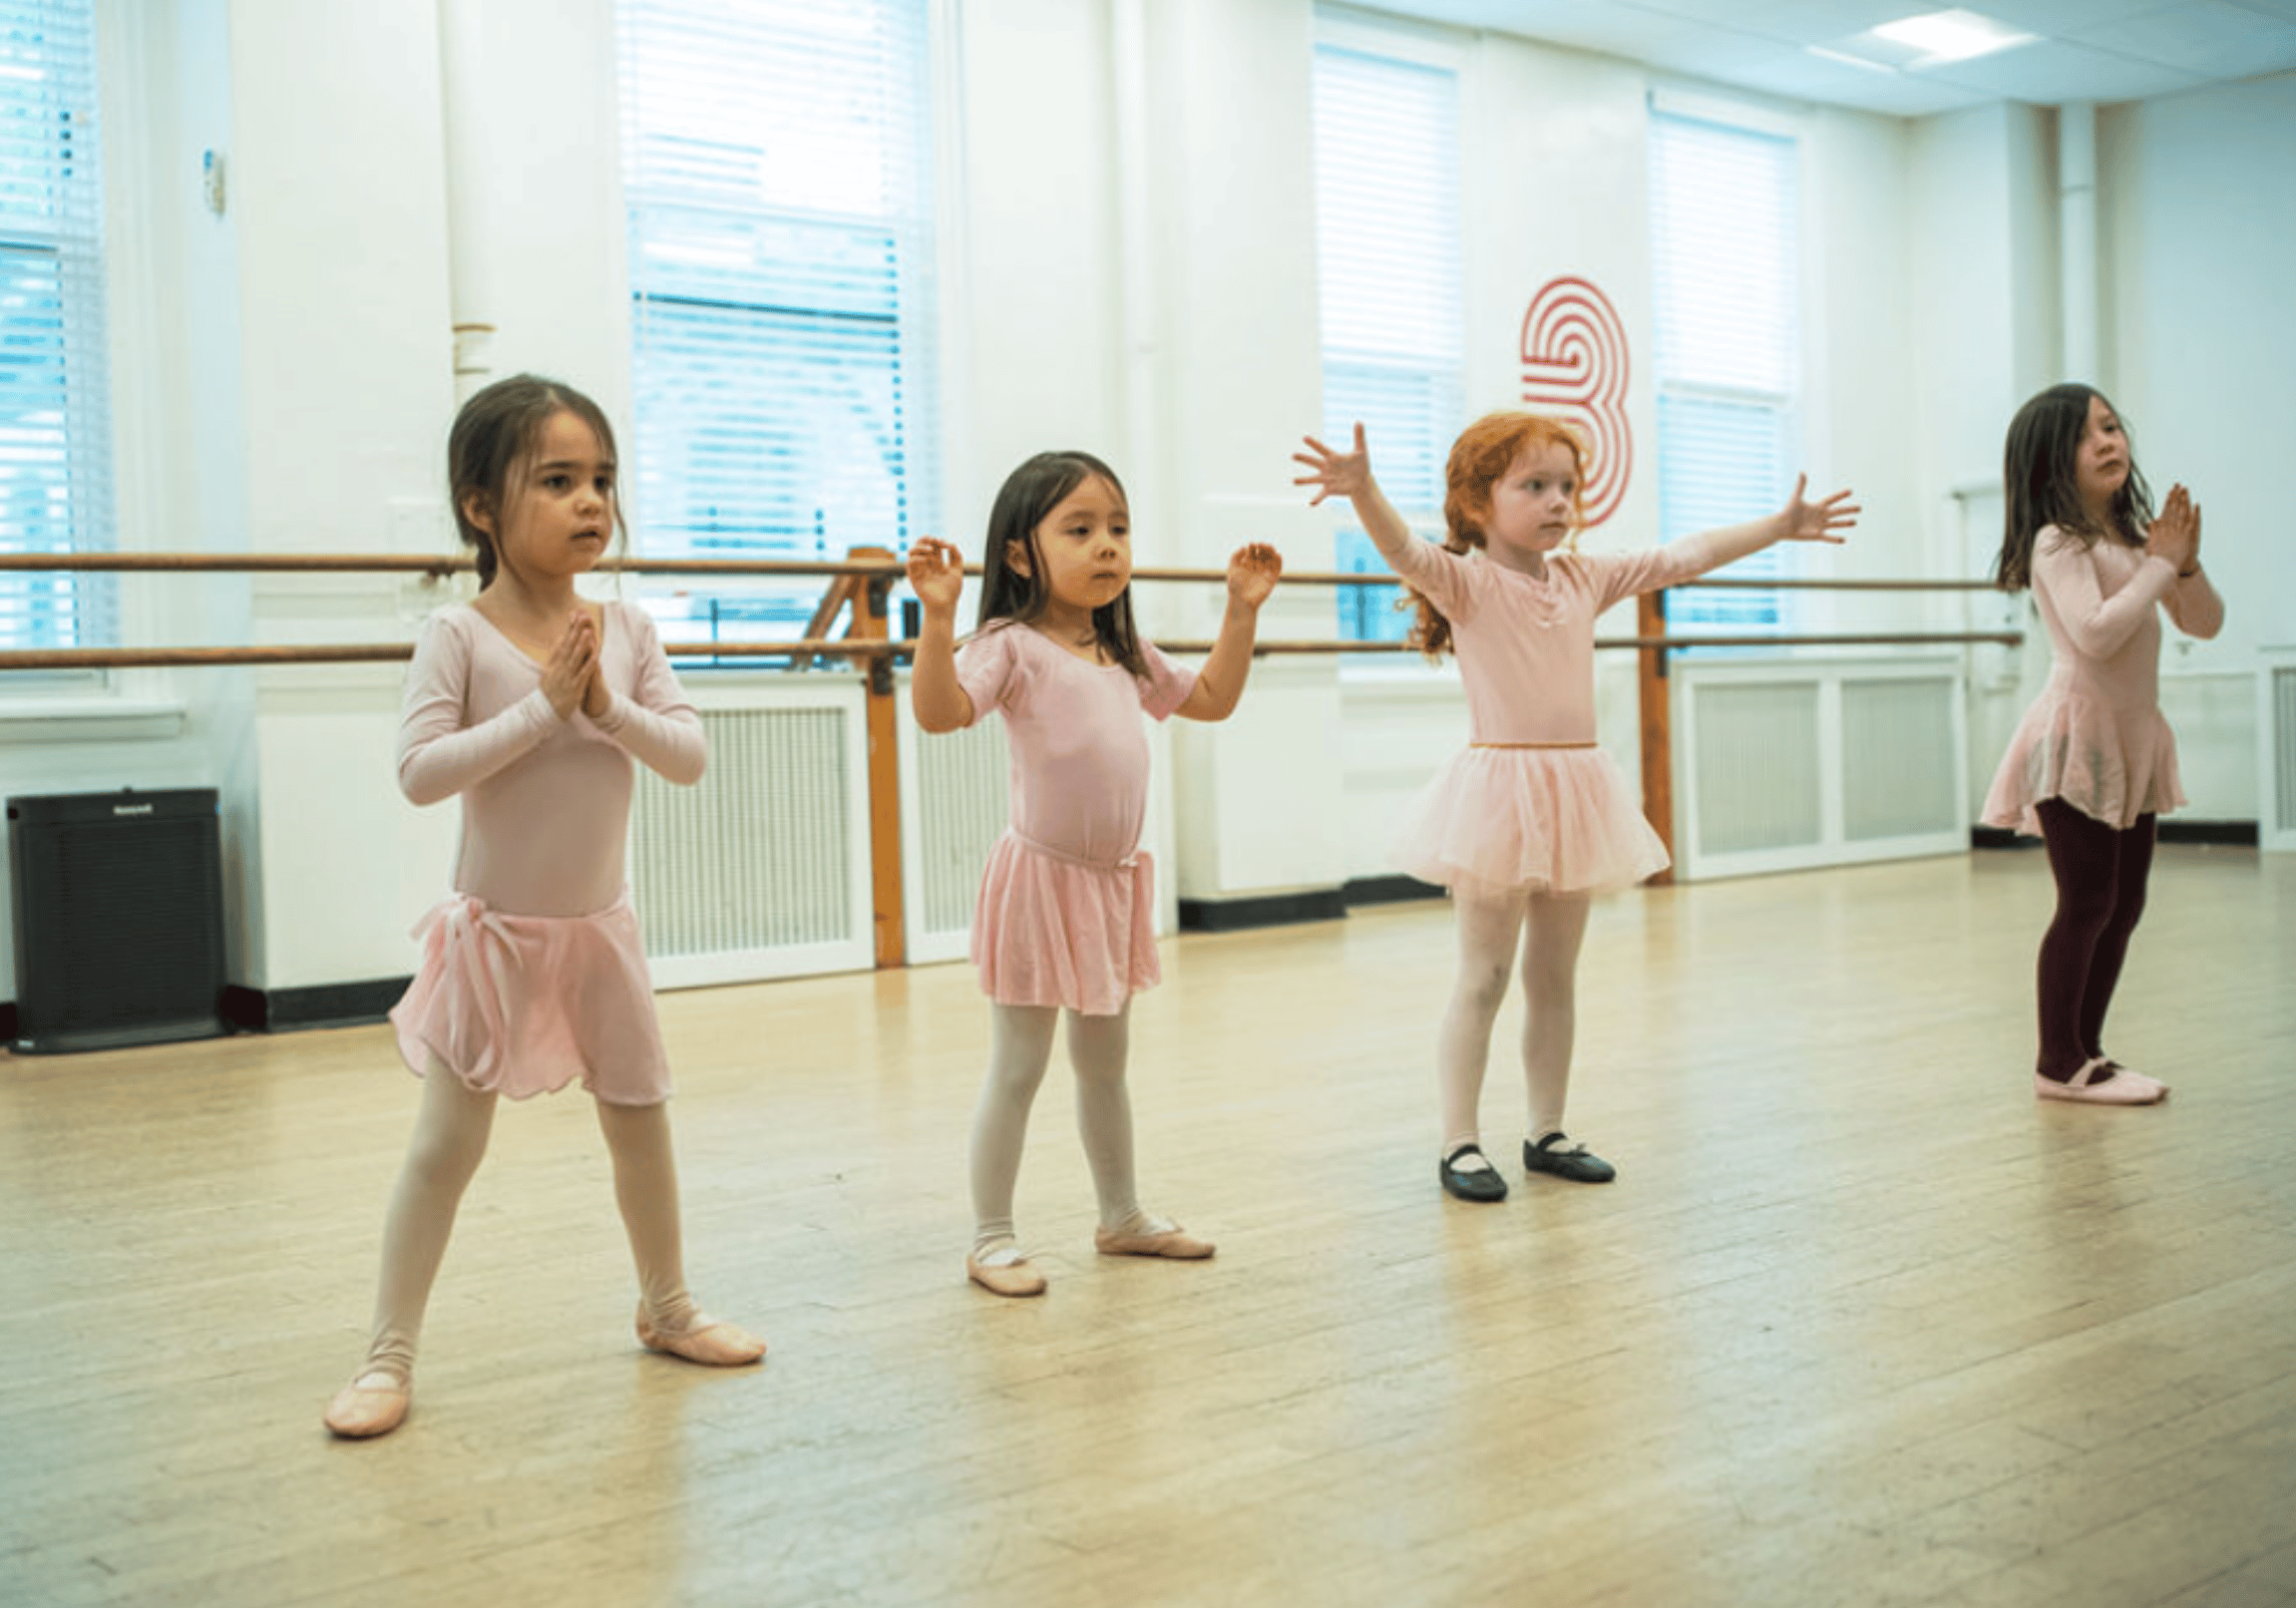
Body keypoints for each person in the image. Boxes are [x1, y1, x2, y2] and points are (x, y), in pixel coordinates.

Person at [324, 375, 763, 1439]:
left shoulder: (626, 628)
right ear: (482, 507)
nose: (589, 502)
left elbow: (690, 757)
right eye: (558, 480)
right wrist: (541, 710)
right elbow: (422, 772)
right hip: (499, 937)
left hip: (599, 932)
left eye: (601, 480)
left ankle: (666, 1305)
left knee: (640, 1124)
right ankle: (388, 1353)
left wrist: (603, 705)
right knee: (445, 1146)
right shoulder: (459, 635)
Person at [1295, 415, 1856, 1201]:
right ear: (1478, 503)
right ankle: (1459, 1141)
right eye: (1534, 486)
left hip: (1575, 792)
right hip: (1499, 796)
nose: (1558, 502)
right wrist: (1364, 491)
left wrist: (1780, 526)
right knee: (1484, 976)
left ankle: (1546, 1130)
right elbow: (1401, 552)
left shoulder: (1584, 579)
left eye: (1567, 486)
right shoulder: (1468, 581)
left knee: (1555, 976)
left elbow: (1683, 555)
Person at [907, 450, 1282, 1297]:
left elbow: (1212, 699)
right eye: (1079, 530)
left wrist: (1240, 613)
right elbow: (939, 715)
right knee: (1019, 1065)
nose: (1106, 546)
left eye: (1117, 528)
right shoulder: (1009, 645)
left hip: (1110, 884)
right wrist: (938, 619)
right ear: (1017, 554)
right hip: (1040, 880)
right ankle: (991, 1237)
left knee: (1105, 1063)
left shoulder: (1123, 648)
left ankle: (1121, 1216)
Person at [1980, 383, 2221, 1104]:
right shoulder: (2058, 541)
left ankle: (2085, 1054)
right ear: (2054, 461)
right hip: (2077, 737)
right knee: (2086, 902)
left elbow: (2204, 623)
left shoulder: (2131, 540)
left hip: (2130, 737)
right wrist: (2157, 567)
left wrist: (2182, 564)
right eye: (2091, 436)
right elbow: (2094, 631)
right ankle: (2058, 1062)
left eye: (2113, 427)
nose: (2110, 442)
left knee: (2124, 903)